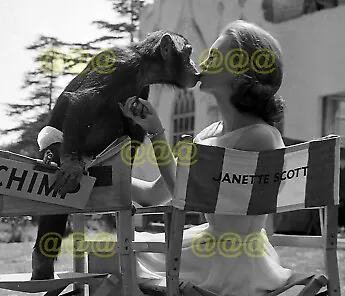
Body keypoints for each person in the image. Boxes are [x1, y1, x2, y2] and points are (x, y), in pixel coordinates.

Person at [119, 20, 292, 296]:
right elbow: (154, 195)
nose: (204, 62)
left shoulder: (260, 137)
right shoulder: (209, 134)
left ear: (241, 71)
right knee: (114, 251)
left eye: (214, 56)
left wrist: (157, 133)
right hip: (206, 247)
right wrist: (99, 177)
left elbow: (182, 195)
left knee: (119, 258)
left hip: (234, 263)